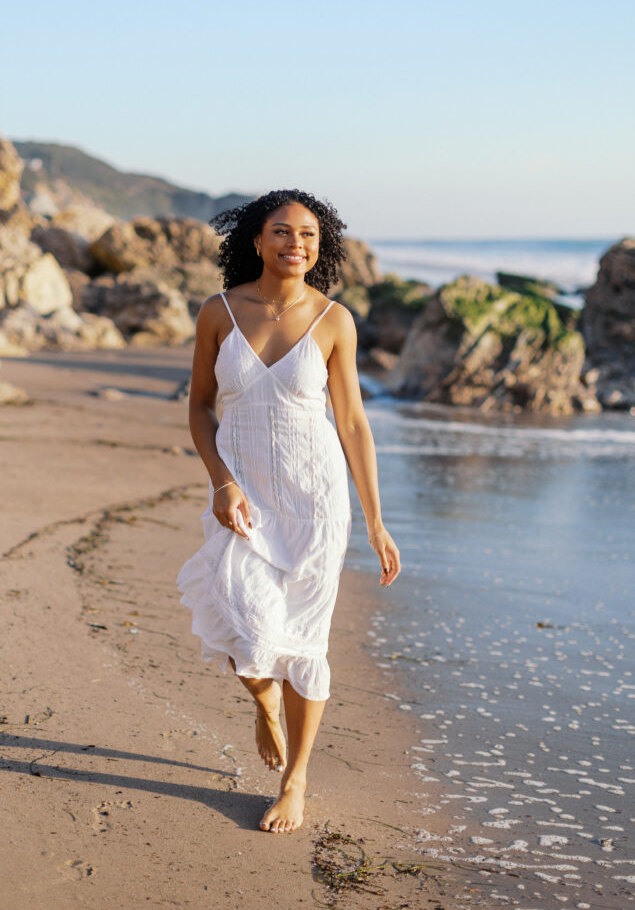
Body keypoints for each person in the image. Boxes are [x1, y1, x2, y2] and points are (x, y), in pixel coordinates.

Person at [176, 189, 400, 834]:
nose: (295, 243)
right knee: (238, 615)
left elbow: (353, 423)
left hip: (317, 502)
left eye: (307, 235)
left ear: (319, 246)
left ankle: (295, 781)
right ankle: (264, 701)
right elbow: (199, 407)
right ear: (256, 240)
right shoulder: (218, 311)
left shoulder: (334, 319)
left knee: (305, 640)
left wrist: (378, 521)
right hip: (246, 494)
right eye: (282, 231)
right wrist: (221, 482)